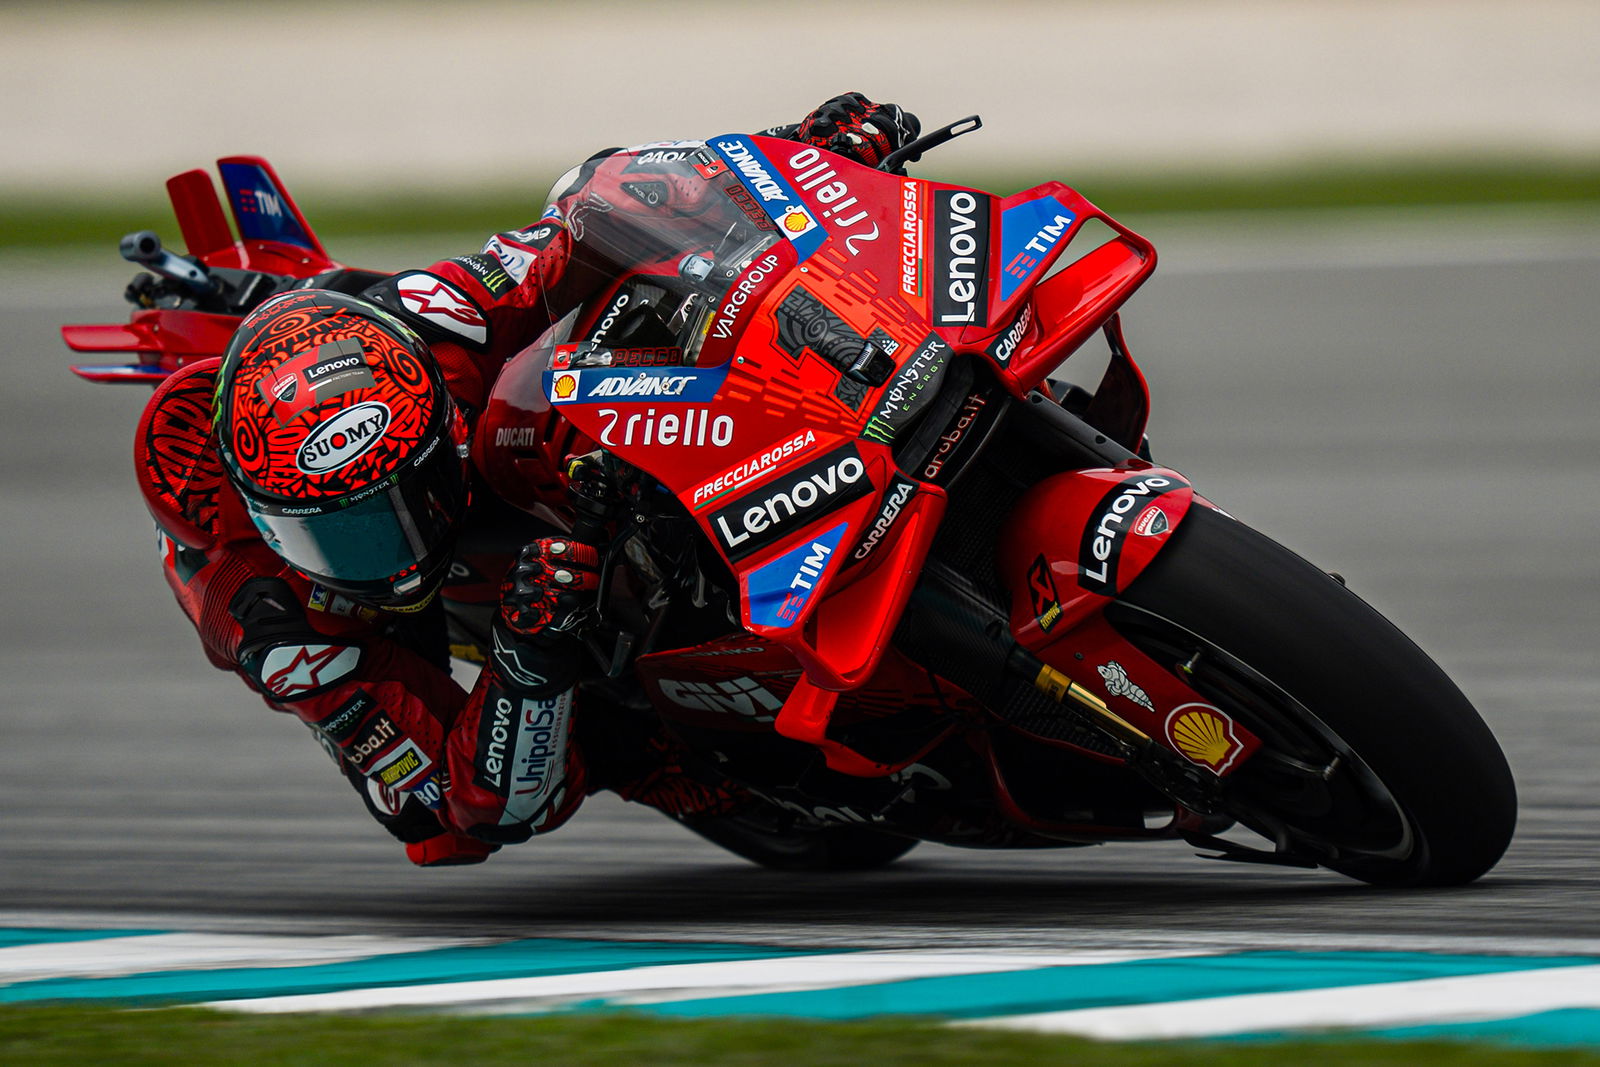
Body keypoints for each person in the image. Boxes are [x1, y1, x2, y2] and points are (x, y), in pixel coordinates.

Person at [134, 94, 921, 865]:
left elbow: (588, 213)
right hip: (375, 634)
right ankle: (684, 740)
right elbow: (471, 805)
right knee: (446, 830)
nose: (392, 556)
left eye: (397, 511)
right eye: (341, 535)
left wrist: (795, 155)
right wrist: (527, 657)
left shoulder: (433, 320)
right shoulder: (270, 620)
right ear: (272, 522)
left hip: (419, 381)